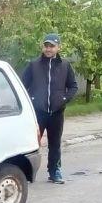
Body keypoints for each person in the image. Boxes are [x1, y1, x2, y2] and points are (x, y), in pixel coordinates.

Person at [22, 33, 78, 184]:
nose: (48, 49)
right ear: (43, 47)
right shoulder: (34, 65)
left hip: (56, 113)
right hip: (38, 113)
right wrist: (30, 101)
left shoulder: (65, 65)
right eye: (46, 46)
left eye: (52, 46)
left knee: (55, 144)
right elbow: (22, 86)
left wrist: (64, 99)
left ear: (58, 47)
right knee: (32, 143)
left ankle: (54, 171)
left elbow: (73, 86)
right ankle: (25, 173)